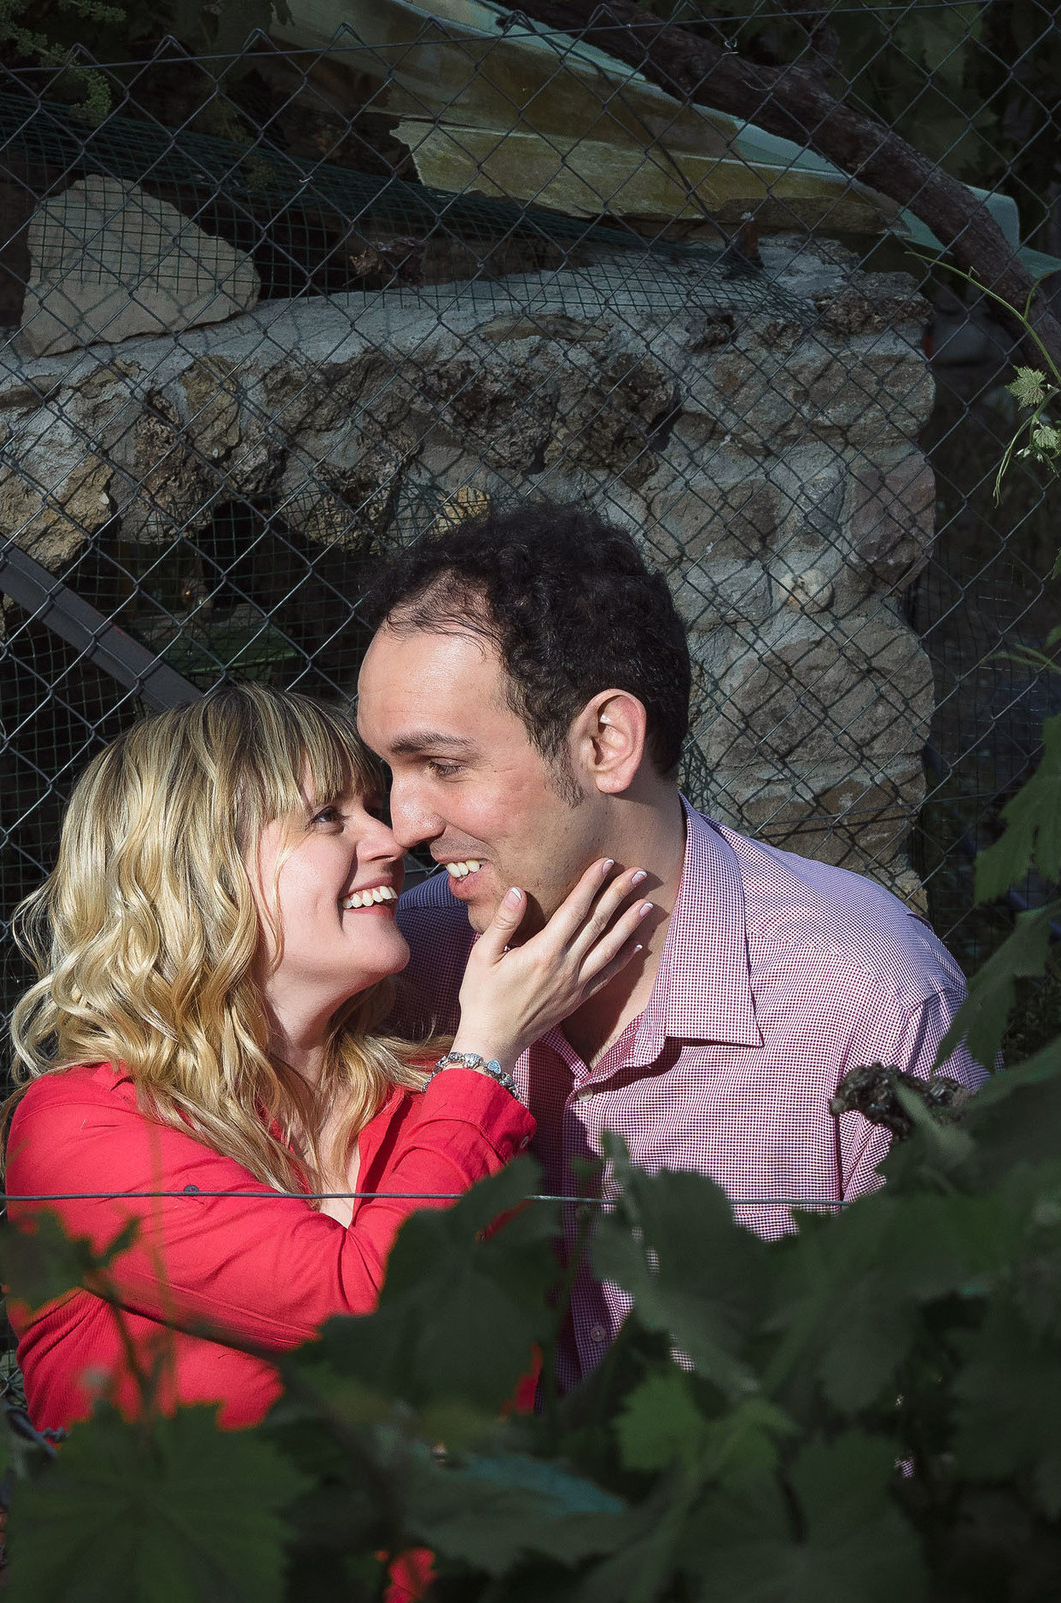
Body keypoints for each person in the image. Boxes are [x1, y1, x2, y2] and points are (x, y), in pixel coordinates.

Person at [354, 504, 980, 1376]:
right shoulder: (400, 972)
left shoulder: (864, 999)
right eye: (389, 770)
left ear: (607, 741)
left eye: (443, 765)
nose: (405, 821)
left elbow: (949, 1386)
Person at [0, 684, 653, 1432]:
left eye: (368, 811)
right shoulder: (80, 1128)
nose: (387, 841)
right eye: (328, 818)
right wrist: (485, 1057)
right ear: (199, 869)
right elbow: (362, 1305)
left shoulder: (424, 1106)